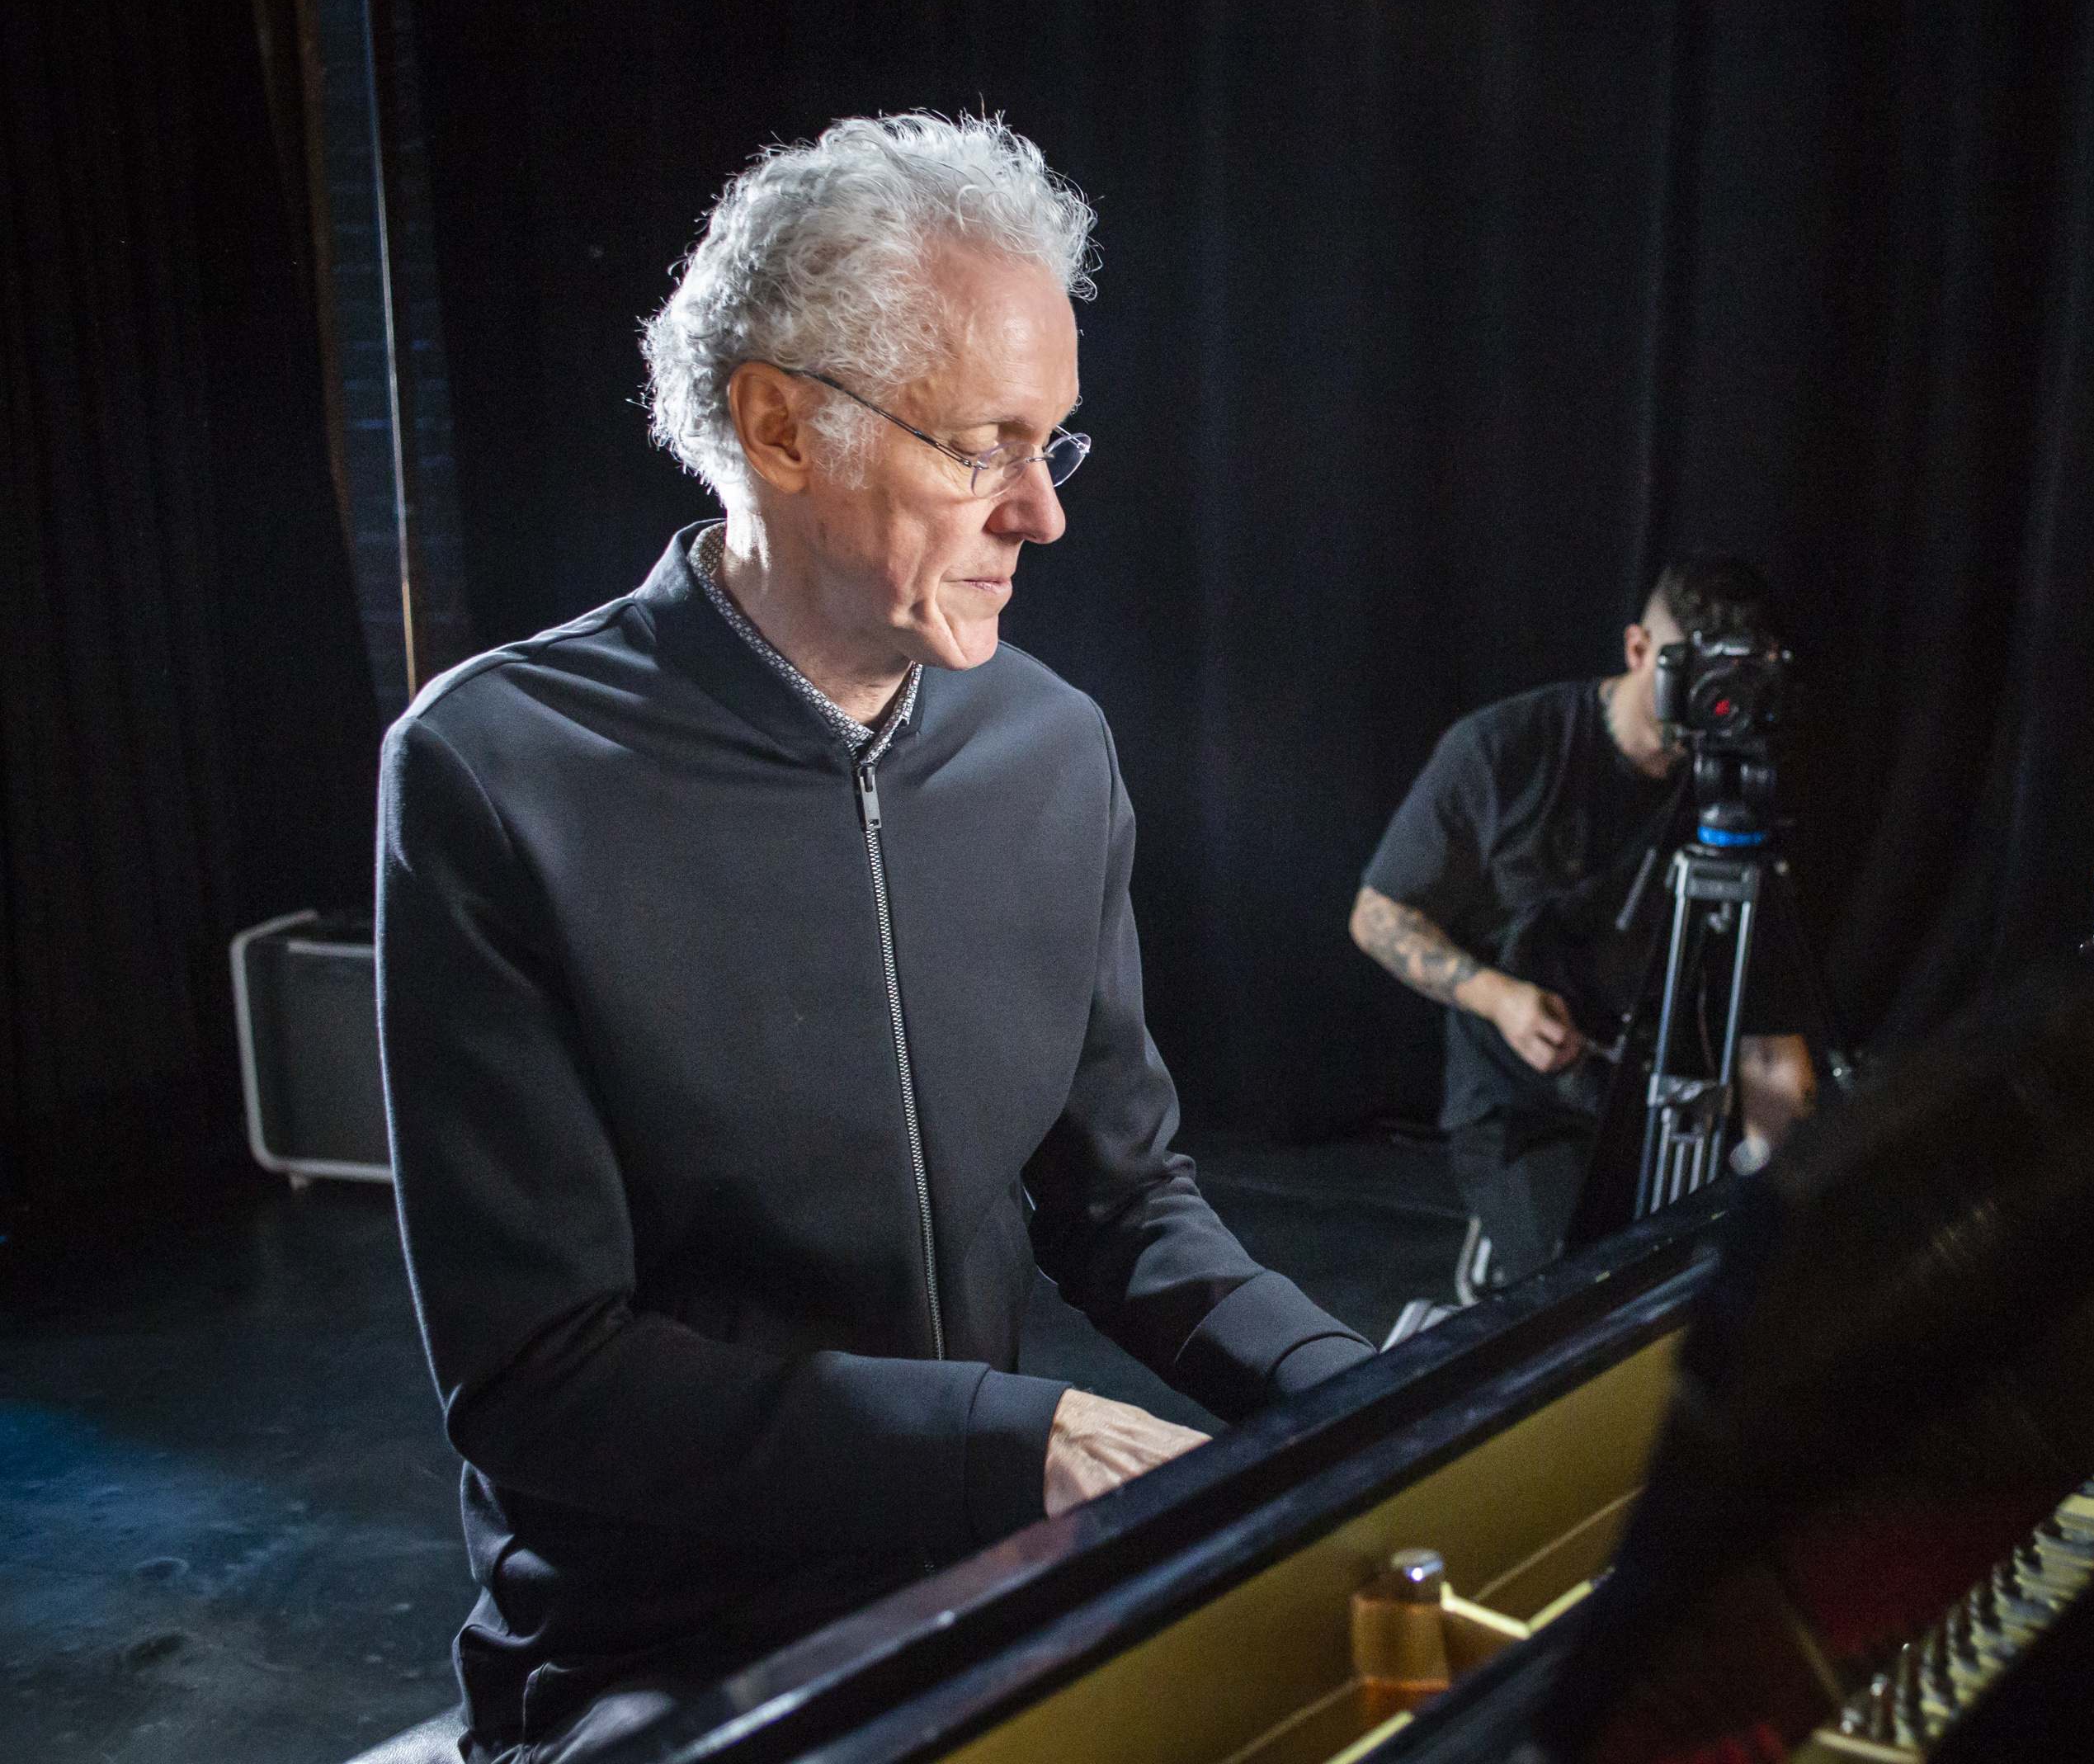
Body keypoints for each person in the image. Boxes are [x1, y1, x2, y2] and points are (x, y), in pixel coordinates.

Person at [377, 113, 1373, 1763]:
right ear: (779, 425)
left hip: (980, 1588)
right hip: (657, 1653)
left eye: (1054, 445)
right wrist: (1008, 1440)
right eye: (983, 447)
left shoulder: (1052, 746)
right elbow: (539, 1376)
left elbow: (1125, 1204)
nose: (1041, 514)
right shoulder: (495, 771)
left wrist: (1366, 1391)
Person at [1350, 559, 1818, 1289]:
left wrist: (1785, 1193)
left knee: (1749, 1276)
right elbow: (1378, 915)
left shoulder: (1740, 789)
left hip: (1676, 1099)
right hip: (1528, 1102)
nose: (1713, 704)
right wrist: (1499, 998)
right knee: (1586, 1292)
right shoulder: (1507, 748)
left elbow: (1769, 1030)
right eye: (1693, 676)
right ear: (1638, 649)